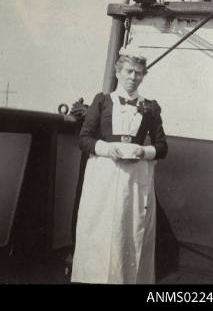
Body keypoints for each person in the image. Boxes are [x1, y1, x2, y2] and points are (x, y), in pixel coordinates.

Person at [70, 46, 168, 284]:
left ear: (143, 76)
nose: (133, 77)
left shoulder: (151, 106)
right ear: (118, 72)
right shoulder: (103, 101)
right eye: (128, 71)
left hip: (134, 179)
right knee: (100, 230)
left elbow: (162, 147)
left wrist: (143, 151)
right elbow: (84, 139)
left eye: (138, 73)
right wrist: (108, 149)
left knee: (130, 231)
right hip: (104, 176)